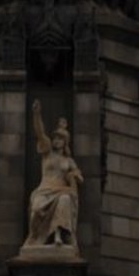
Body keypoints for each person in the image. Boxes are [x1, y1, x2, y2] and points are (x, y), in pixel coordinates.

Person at [22, 99, 83, 250]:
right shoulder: (47, 152)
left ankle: (58, 236)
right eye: (55, 138)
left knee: (65, 200)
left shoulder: (68, 161)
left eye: (60, 139)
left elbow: (79, 177)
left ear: (65, 142)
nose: (56, 141)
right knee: (36, 210)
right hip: (44, 190)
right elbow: (40, 133)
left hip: (62, 191)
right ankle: (36, 237)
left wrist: (75, 176)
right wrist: (36, 115)